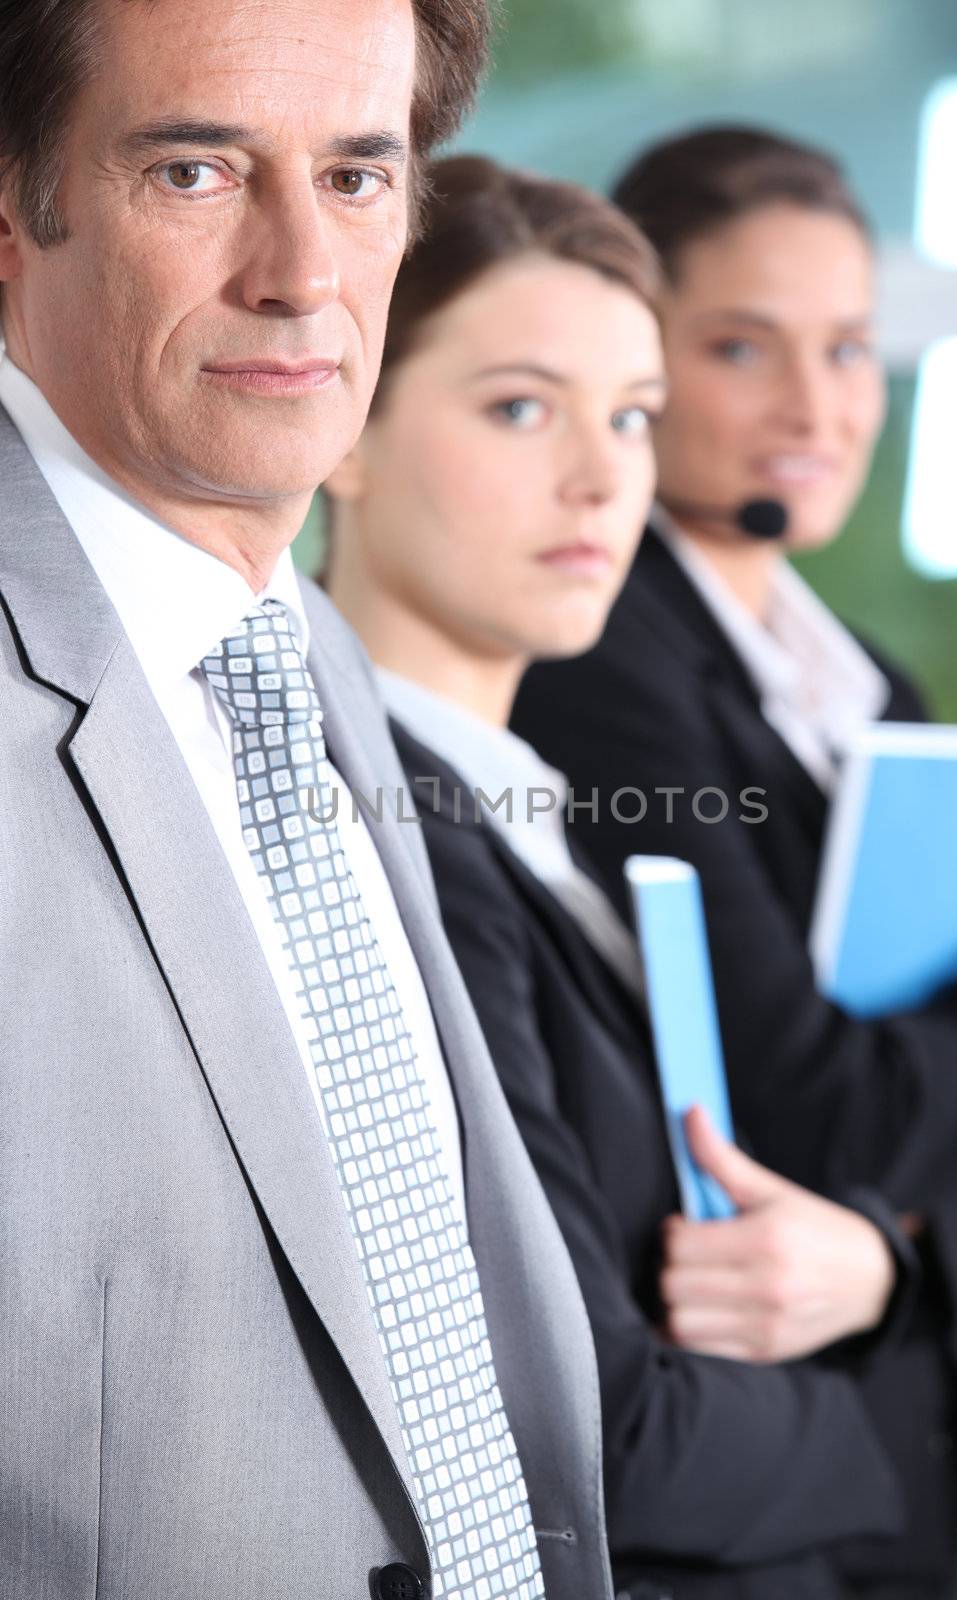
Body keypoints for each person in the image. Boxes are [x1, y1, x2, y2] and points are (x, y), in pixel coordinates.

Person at [0, 5, 614, 1598]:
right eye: (196, 171)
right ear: (12, 209)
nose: (302, 274)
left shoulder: (303, 649)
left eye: (357, 175)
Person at [324, 151, 948, 1600]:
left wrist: (863, 1268)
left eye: (635, 416)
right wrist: (859, 1442)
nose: (608, 478)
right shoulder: (387, 849)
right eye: (522, 407)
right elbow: (591, 1427)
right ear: (344, 419)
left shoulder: (569, 826)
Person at [511, 126, 957, 1597]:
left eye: (849, 349)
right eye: (745, 349)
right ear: (642, 359)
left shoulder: (870, 688)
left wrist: (889, 1260)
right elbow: (809, 1108)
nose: (818, 407)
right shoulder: (595, 661)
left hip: (892, 1441)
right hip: (753, 1483)